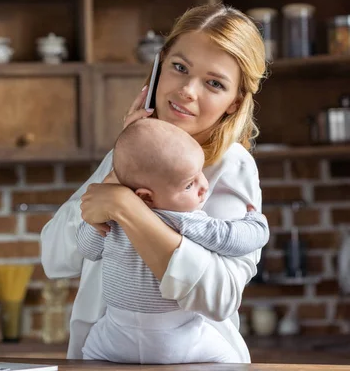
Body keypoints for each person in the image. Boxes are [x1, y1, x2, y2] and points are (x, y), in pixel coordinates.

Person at [40, 3, 267, 363]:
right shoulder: (129, 150)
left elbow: (219, 296)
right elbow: (55, 258)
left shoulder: (230, 165)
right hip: (103, 357)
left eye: (214, 83)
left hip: (193, 362)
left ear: (233, 102)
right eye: (179, 68)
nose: (188, 90)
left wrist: (127, 208)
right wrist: (119, 171)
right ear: (158, 68)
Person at [75, 117, 269, 364]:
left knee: (87, 356)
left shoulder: (111, 221)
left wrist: (97, 218)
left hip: (113, 339)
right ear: (145, 197)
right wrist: (257, 223)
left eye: (200, 173)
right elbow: (231, 239)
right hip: (176, 340)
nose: (204, 186)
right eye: (190, 184)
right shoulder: (183, 220)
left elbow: (86, 249)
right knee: (232, 359)